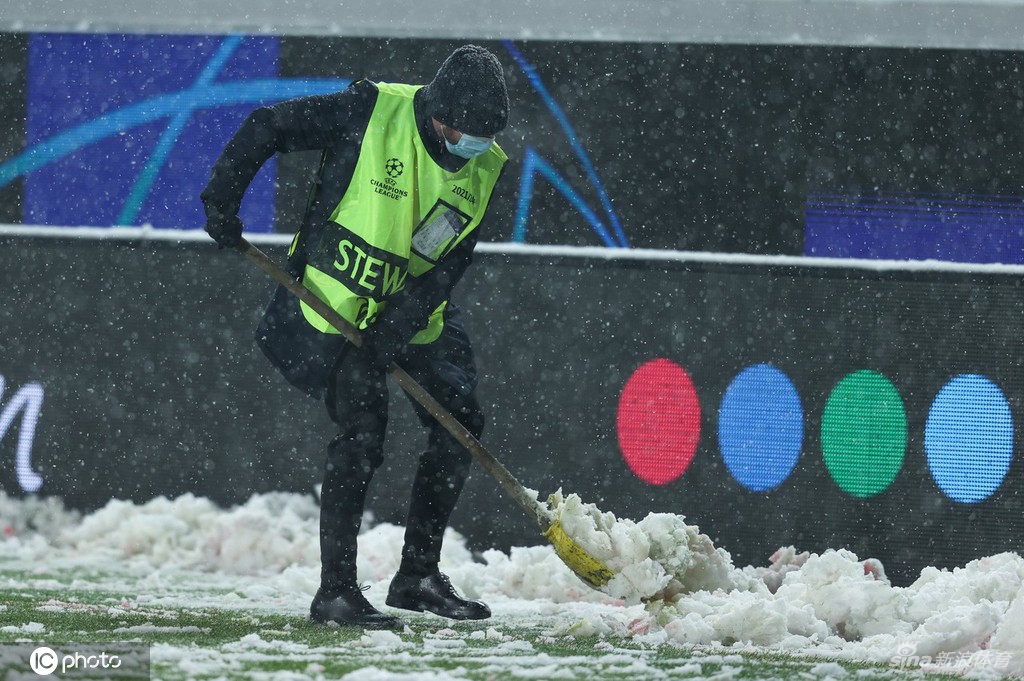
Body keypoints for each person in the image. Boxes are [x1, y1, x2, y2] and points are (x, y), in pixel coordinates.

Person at [200, 45, 510, 629]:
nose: (477, 145)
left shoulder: (486, 165)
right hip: (341, 309)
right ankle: (336, 593)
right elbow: (268, 125)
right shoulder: (369, 111)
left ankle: (417, 576)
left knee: (460, 426)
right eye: (468, 132)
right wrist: (223, 198)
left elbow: (450, 262)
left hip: (416, 315)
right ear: (439, 115)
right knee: (362, 437)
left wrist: (400, 324)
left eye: (487, 135)